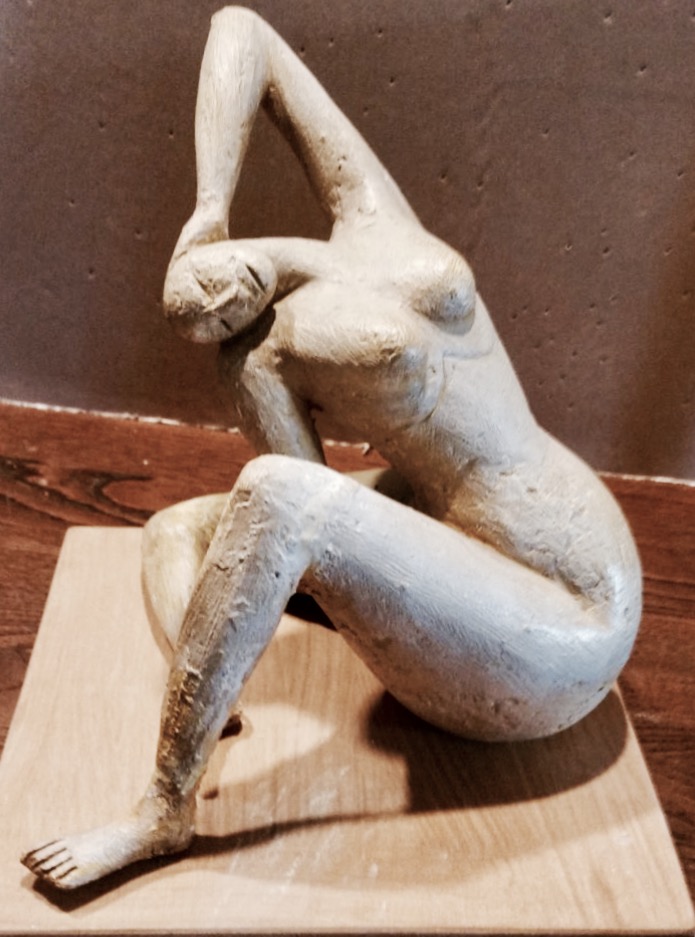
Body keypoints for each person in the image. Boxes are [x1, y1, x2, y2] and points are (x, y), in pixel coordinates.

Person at [23, 7, 641, 890]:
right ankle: (171, 795)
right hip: (500, 606)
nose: (222, 297)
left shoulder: (365, 220)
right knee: (184, 527)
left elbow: (243, 30)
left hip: (574, 612)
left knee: (275, 501)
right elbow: (301, 494)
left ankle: (175, 774)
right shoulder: (262, 361)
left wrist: (208, 203)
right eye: (208, 316)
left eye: (212, 278)